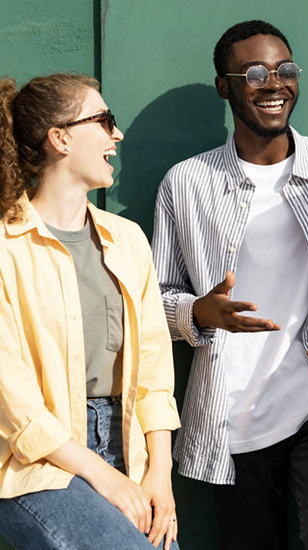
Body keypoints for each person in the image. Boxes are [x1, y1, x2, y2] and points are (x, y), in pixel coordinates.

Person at [152, 19, 308, 550]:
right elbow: (155, 301)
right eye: (254, 73)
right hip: (232, 413)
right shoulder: (187, 183)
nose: (274, 83)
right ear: (225, 86)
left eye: (285, 69)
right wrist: (200, 313)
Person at [0, 74, 181, 550]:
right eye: (104, 121)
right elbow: (12, 399)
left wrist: (159, 475)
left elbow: (155, 371)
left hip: (130, 447)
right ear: (60, 138)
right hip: (36, 463)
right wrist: (103, 474)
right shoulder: (5, 247)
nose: (116, 135)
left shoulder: (128, 239)